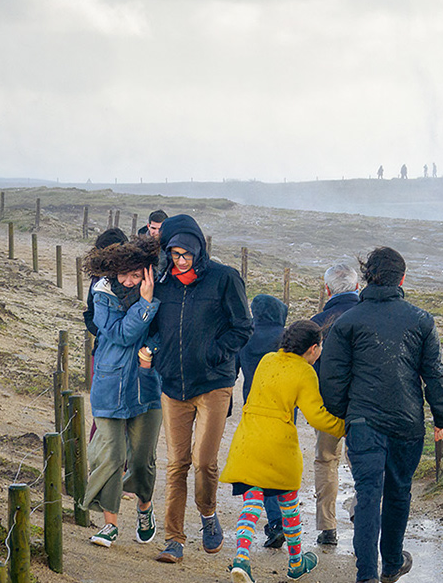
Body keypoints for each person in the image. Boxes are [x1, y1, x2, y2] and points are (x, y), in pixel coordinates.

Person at [318, 247, 443, 583]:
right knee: (398, 492)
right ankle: (391, 563)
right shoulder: (421, 319)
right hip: (408, 421)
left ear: (366, 278)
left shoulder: (347, 321)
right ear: (402, 279)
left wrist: (344, 413)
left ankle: (366, 577)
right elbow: (434, 373)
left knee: (368, 494)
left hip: (363, 421)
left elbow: (331, 378)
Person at [149, 214, 253, 564]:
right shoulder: (162, 283)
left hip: (213, 384)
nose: (180, 261)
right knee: (177, 463)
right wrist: (154, 349)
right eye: (174, 254)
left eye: (186, 254)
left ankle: (208, 516)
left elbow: (243, 327)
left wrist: (215, 352)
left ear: (198, 248)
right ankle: (173, 539)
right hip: (173, 384)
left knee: (204, 462)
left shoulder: (224, 279)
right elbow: (151, 325)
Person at [221, 320, 345, 583]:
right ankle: (297, 562)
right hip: (278, 445)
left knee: (251, 502)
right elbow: (316, 416)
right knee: (289, 503)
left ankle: (242, 559)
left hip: (248, 439)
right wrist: (343, 427)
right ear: (313, 348)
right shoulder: (305, 372)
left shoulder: (268, 360)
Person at [83, 234, 164, 549]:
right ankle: (110, 524)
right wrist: (145, 304)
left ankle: (144, 506)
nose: (129, 281)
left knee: (143, 459)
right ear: (112, 272)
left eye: (136, 274)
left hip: (146, 384)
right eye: (124, 274)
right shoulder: (102, 294)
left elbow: (164, 332)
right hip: (109, 384)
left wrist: (153, 348)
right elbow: (119, 334)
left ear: (145, 271)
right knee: (112, 456)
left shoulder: (160, 290)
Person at [306, 262, 364, 548]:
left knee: (326, 460)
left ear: (327, 289)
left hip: (328, 404)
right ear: (357, 287)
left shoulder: (318, 321)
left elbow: (309, 366)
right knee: (363, 463)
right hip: (363, 404)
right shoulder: (368, 315)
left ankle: (327, 526)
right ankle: (358, 511)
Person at [236, 293, 289, 546]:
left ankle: (275, 522)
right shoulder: (286, 338)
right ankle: (284, 521)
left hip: (254, 408)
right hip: (284, 411)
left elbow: (230, 371)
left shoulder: (246, 335)